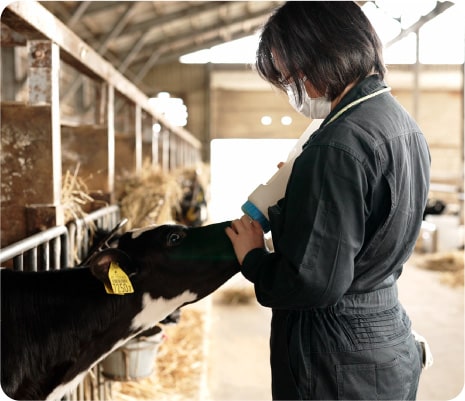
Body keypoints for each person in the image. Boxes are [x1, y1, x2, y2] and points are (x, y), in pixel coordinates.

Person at [225, 2, 431, 400]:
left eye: (291, 76)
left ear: (323, 56)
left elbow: (311, 282)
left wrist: (253, 259)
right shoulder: (400, 123)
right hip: (385, 335)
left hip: (336, 359)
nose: (293, 89)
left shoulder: (338, 143)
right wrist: (307, 186)